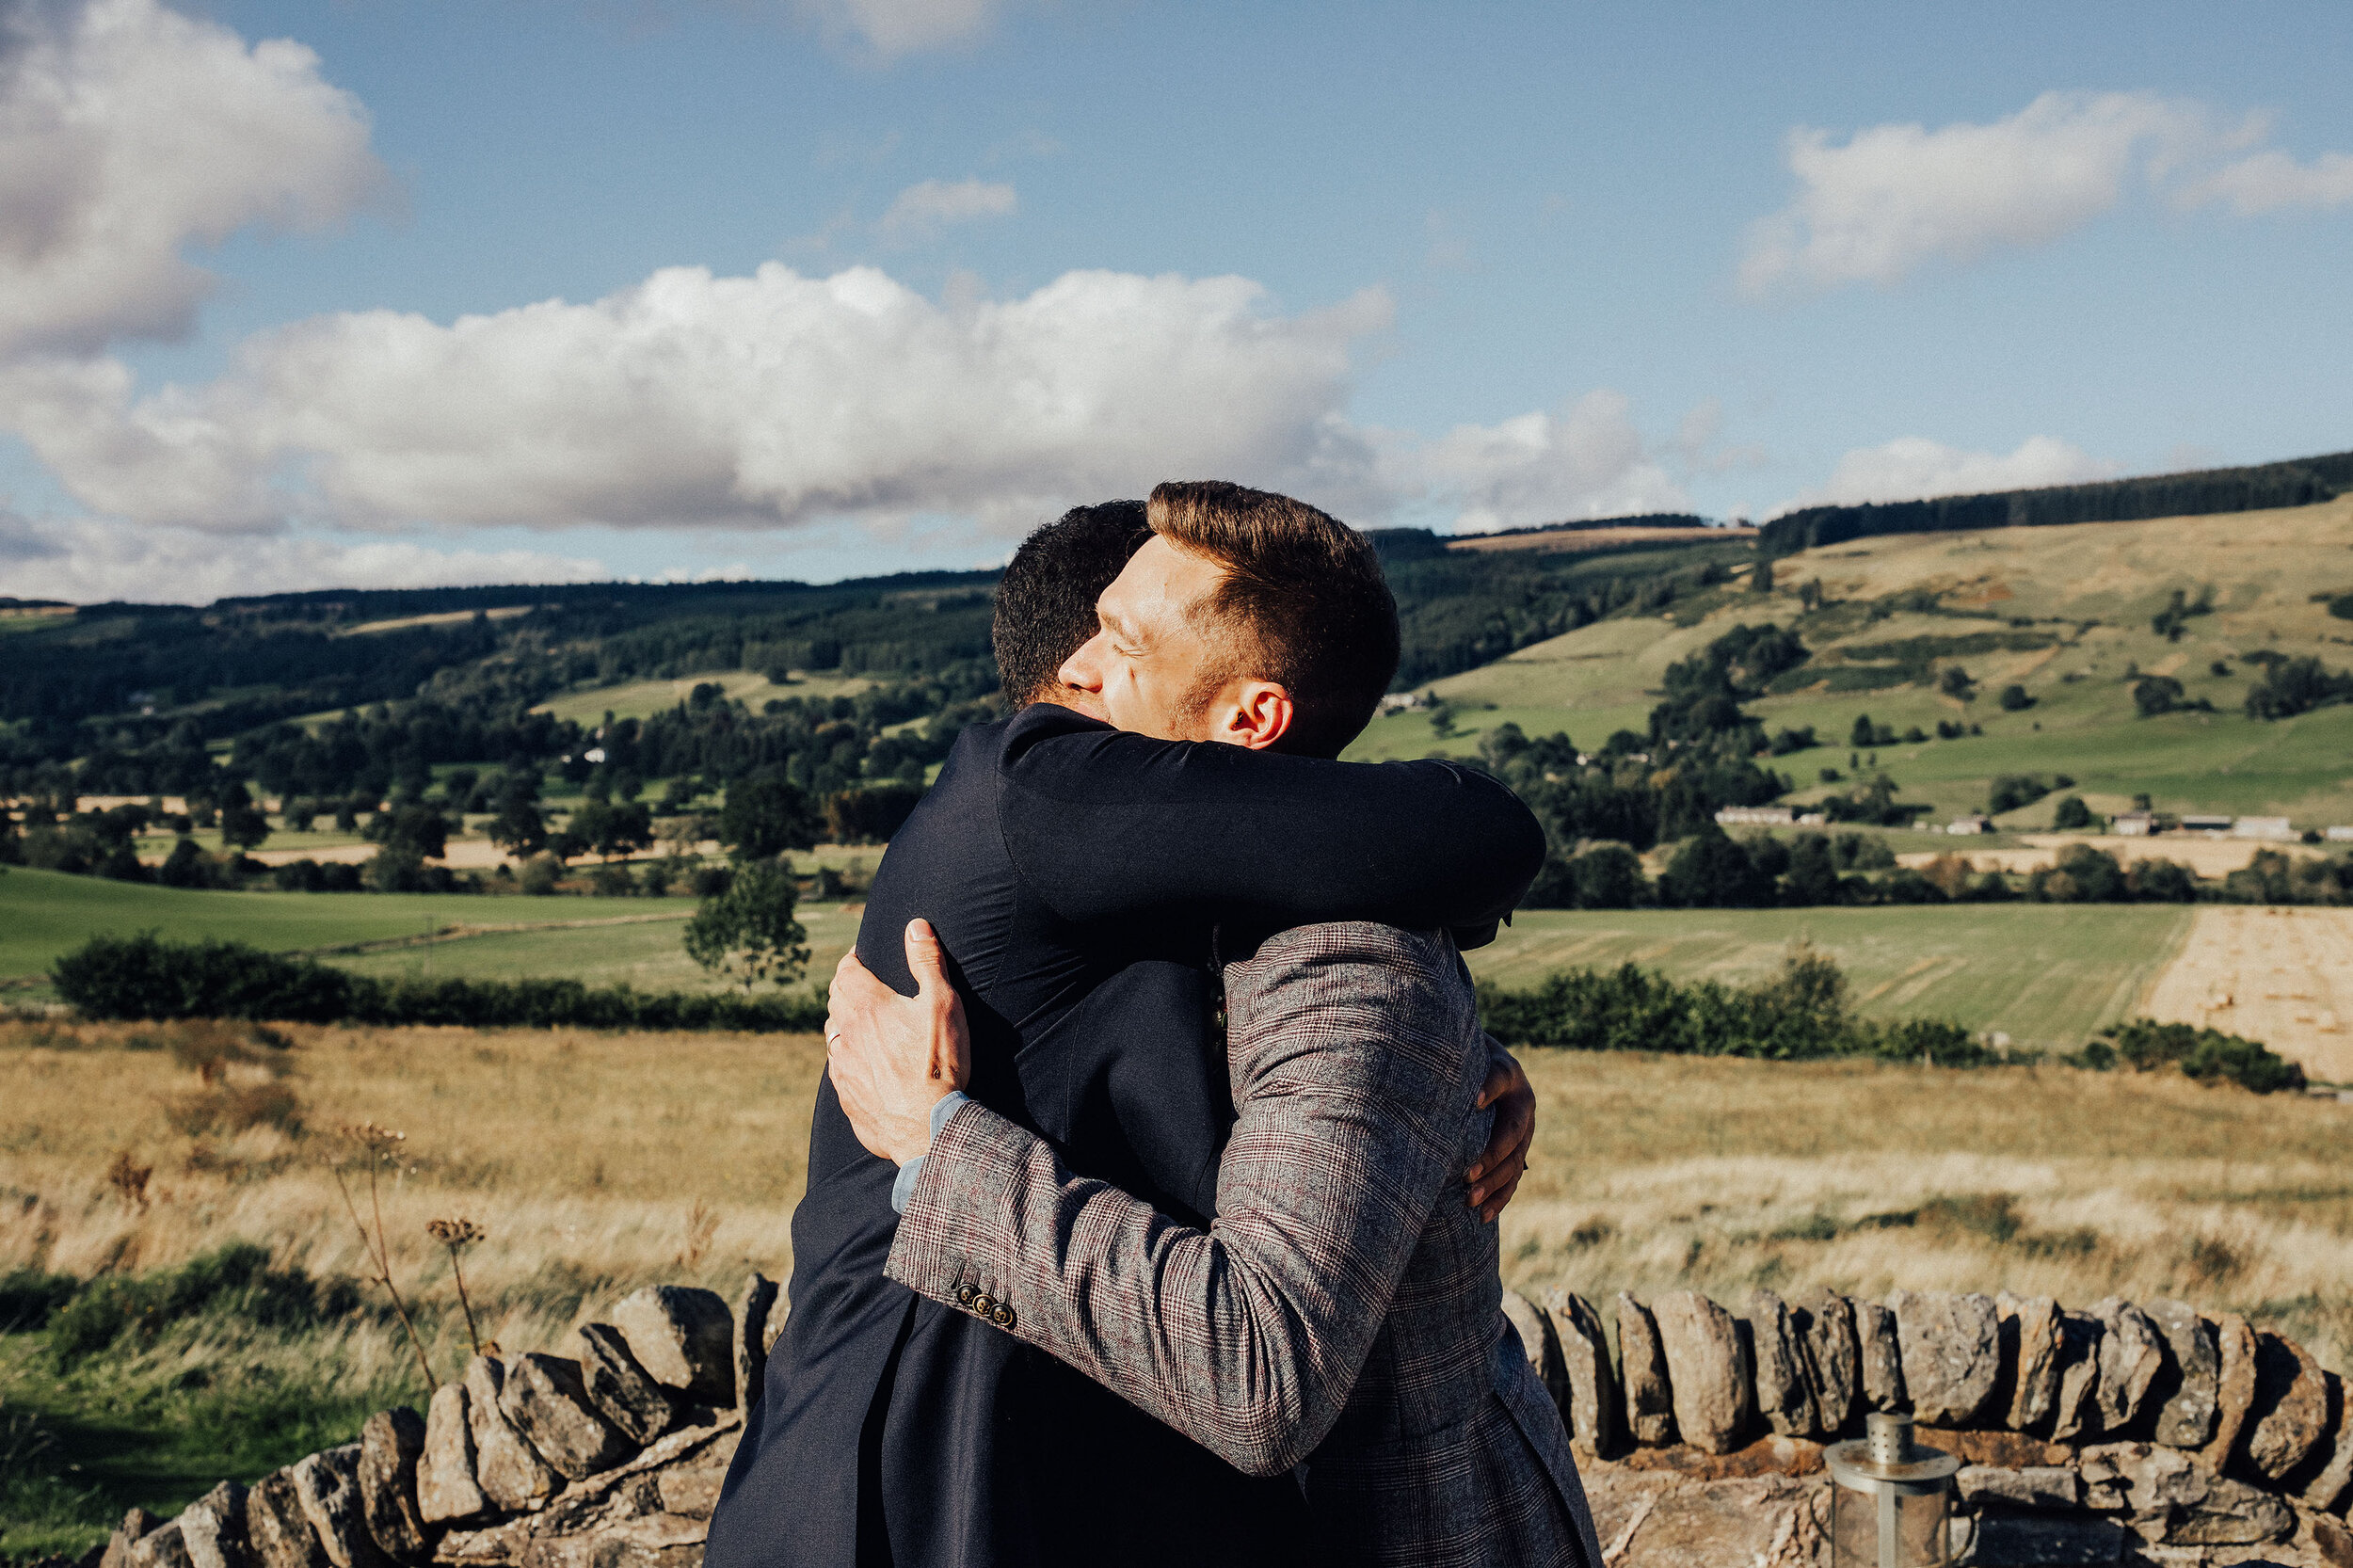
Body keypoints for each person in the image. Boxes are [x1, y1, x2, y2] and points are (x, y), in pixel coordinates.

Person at [706, 496, 1548, 1568]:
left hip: (1024, 1457)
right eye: (1093, 634)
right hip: (912, 1465)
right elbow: (1472, 829)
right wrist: (935, 1141)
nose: (1083, 672)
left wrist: (1448, 1068)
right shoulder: (1035, 781)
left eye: (1123, 640)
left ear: (1249, 720)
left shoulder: (1171, 867)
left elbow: (1337, 923)